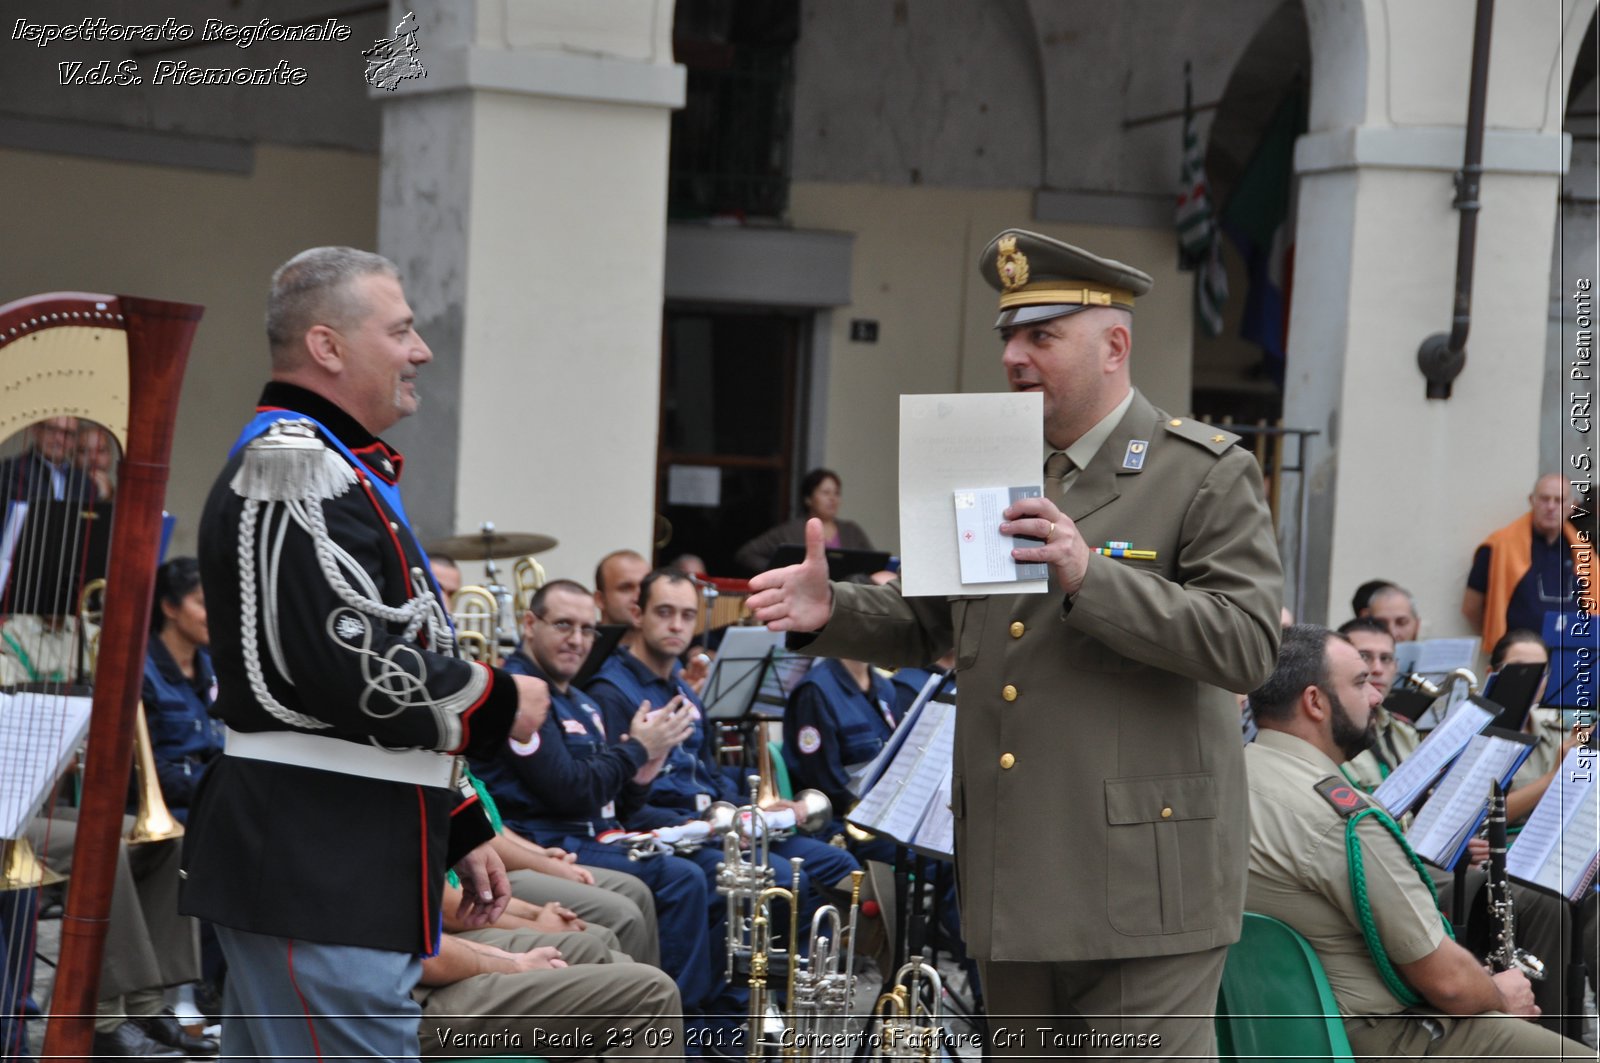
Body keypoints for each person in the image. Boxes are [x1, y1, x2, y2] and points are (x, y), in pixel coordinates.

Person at [747, 229, 1283, 1055]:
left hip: (1146, 889)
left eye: (1042, 335)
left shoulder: (1202, 470)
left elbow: (1247, 644)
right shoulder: (983, 459)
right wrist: (830, 612)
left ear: (1115, 344)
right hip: (1017, 877)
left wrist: (1088, 574)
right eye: (1008, 336)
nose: (1014, 357)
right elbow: (933, 624)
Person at [181, 246, 547, 1060]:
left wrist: (455, 822)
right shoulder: (293, 466)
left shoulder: (334, 465)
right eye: (402, 330)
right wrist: (496, 696)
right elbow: (345, 667)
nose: (420, 350)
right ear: (327, 346)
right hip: (317, 863)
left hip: (338, 856)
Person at [1244, 624, 1586, 1058]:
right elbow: (1449, 984)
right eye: (1360, 682)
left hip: (1273, 1026)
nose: (1376, 697)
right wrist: (1501, 995)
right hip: (1373, 1036)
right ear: (1314, 702)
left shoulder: (1232, 777)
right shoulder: (1345, 819)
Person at [471, 577, 719, 1013]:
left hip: (592, 837)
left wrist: (643, 772)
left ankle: (685, 1020)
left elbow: (615, 808)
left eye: (588, 629)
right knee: (680, 879)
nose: (577, 640)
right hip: (546, 839)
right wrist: (638, 748)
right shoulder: (519, 692)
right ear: (530, 624)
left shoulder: (582, 701)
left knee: (706, 868)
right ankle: (667, 1023)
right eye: (564, 625)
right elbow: (568, 791)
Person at [587, 569, 860, 930]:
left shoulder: (684, 690)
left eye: (687, 615)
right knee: (781, 878)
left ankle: (792, 977)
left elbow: (708, 774)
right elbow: (623, 800)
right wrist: (709, 825)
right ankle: (749, 983)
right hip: (672, 831)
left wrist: (755, 811)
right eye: (664, 613)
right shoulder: (610, 691)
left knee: (839, 866)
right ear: (638, 616)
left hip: (717, 824)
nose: (676, 626)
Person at [1463, 473, 1593, 652]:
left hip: (1571, 657)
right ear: (1532, 500)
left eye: (1559, 500)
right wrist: (1499, 645)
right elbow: (1471, 607)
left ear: (1573, 506)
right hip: (1517, 660)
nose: (1551, 507)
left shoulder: (1584, 552)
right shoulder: (1499, 547)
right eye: (1544, 499)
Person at [141, 557, 222, 822]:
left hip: (212, 800)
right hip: (168, 808)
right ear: (170, 607)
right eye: (202, 603)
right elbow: (143, 765)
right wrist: (210, 791)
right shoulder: (143, 672)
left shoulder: (216, 667)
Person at [734, 468, 874, 575]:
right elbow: (746, 554)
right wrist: (781, 572)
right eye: (826, 492)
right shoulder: (790, 531)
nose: (833, 498)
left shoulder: (851, 530)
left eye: (837, 493)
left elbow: (874, 564)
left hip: (844, 602)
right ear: (808, 499)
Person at [1334, 617, 1417, 792]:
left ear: (1396, 667)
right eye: (1364, 656)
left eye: (1386, 658)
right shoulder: (1328, 732)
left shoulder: (1404, 731)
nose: (1377, 668)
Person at [594, 548, 650, 626]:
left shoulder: (665, 637)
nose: (638, 598)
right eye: (626, 588)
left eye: (644, 587)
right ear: (600, 600)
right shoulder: (579, 637)